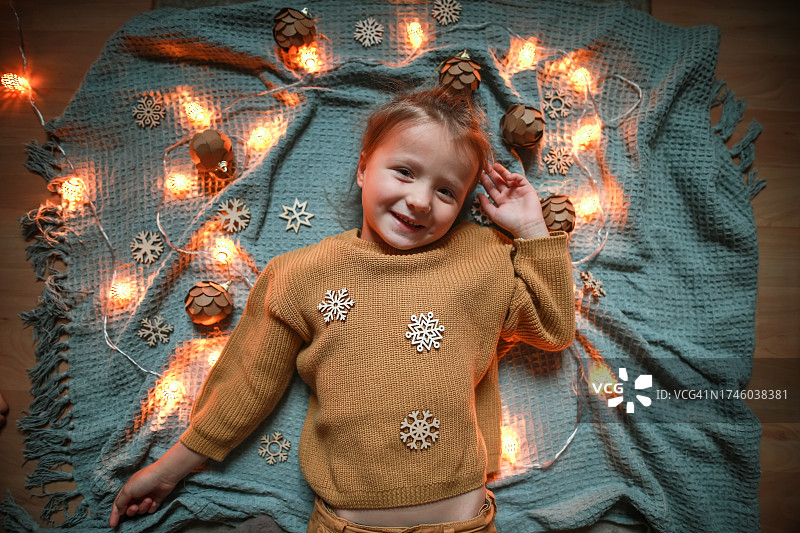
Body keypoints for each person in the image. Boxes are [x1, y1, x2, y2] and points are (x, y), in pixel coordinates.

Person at [109, 86, 575, 532]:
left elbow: (553, 329)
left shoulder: (481, 257)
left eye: (446, 192)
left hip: (461, 521)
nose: (419, 200)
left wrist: (532, 230)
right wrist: (168, 470)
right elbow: (249, 381)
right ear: (363, 169)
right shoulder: (300, 273)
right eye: (405, 172)